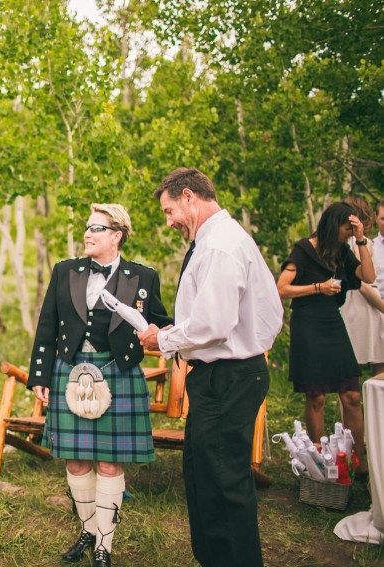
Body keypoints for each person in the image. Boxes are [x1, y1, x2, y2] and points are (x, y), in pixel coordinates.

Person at [137, 168, 283, 567]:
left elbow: (215, 324)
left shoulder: (220, 245)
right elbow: (234, 316)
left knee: (223, 482)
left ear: (189, 196)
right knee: (204, 476)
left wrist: (162, 339)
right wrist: (173, 330)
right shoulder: (219, 239)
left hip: (229, 378)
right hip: (224, 375)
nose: (169, 222)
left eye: (170, 211)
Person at [27, 204, 172, 567]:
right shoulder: (65, 272)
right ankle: (89, 529)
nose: (87, 234)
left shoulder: (142, 277)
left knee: (110, 464)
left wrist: (158, 335)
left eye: (97, 228)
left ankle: (104, 546)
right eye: (87, 228)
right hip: (70, 371)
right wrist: (40, 376)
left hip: (118, 371)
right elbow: (47, 326)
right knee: (76, 462)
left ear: (117, 235)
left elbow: (161, 324)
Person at [277, 202, 374, 477]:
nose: (348, 232)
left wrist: (361, 239)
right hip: (307, 323)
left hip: (333, 322)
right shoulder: (304, 249)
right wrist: (318, 287)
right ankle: (318, 462)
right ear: (334, 225)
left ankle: (359, 461)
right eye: (347, 227)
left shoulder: (343, 250)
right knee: (316, 396)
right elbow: (282, 288)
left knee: (352, 395)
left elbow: (368, 276)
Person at [343, 197, 384, 376]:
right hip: (363, 309)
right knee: (359, 370)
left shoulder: (361, 242)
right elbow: (363, 283)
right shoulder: (357, 243)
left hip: (367, 308)